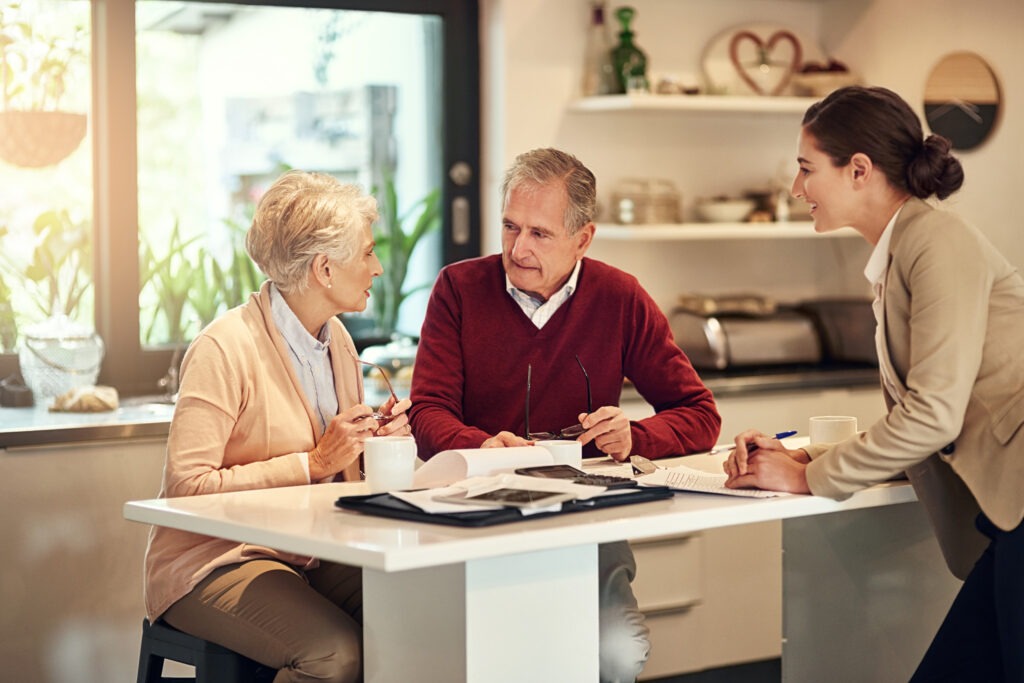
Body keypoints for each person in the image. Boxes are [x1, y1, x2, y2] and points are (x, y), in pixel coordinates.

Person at [723, 86, 1024, 682]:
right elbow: (923, 421)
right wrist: (806, 455)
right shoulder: (902, 252)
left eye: (807, 169)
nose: (795, 189)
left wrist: (806, 477)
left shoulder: (937, 241)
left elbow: (933, 417)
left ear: (858, 169)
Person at [410, 147, 721, 682]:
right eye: (510, 227)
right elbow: (428, 410)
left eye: (539, 233)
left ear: (583, 238)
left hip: (584, 519)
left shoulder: (620, 297)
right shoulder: (459, 289)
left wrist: (635, 436)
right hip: (476, 517)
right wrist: (480, 447)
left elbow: (698, 413)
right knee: (488, 660)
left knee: (619, 656)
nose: (518, 248)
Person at [142, 170, 412, 683]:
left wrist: (373, 446)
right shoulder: (223, 348)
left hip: (310, 552)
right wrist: (313, 463)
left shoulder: (338, 343)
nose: (376, 267)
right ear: (325, 269)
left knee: (420, 614)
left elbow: (337, 473)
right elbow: (187, 487)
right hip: (212, 562)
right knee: (336, 655)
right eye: (368, 253)